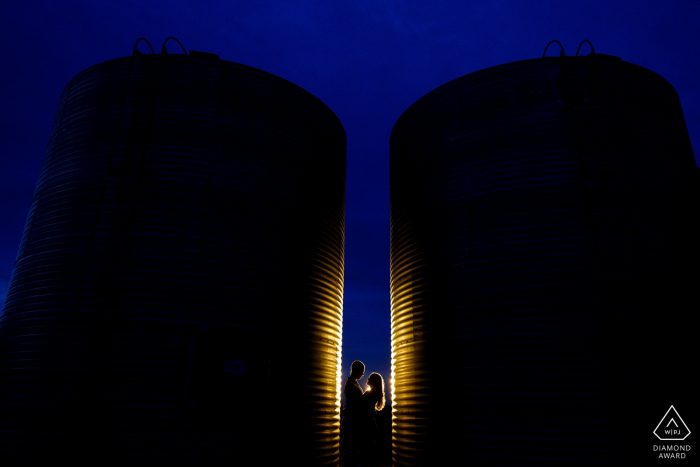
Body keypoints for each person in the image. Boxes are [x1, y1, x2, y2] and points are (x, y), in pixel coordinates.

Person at [357, 372, 385, 467]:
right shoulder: (374, 394)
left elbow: (361, 407)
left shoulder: (369, 394)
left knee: (366, 451)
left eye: (369, 378)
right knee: (370, 450)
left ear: (372, 381)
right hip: (370, 424)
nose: (367, 379)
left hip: (366, 425)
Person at [341, 360, 365, 466]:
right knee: (351, 452)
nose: (362, 374)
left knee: (353, 451)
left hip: (353, 421)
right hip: (352, 423)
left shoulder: (353, 384)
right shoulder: (351, 385)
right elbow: (355, 404)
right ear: (355, 370)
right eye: (361, 371)